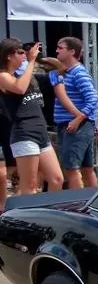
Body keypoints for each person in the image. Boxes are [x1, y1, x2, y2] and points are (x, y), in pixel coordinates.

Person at [0, 39, 63, 194]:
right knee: (29, 186)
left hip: (40, 130)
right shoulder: (3, 76)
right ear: (9, 55)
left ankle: (46, 214)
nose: (24, 55)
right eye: (20, 53)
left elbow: (60, 70)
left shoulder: (25, 75)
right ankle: (26, 217)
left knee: (57, 179)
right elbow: (19, 88)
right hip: (24, 132)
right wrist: (31, 61)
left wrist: (43, 61)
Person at [50, 36, 98, 189]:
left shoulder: (78, 73)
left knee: (72, 168)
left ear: (72, 51)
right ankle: (93, 200)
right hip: (77, 124)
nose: (57, 50)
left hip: (75, 126)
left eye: (61, 48)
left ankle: (77, 203)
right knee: (86, 168)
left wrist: (78, 119)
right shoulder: (65, 72)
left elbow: (94, 99)